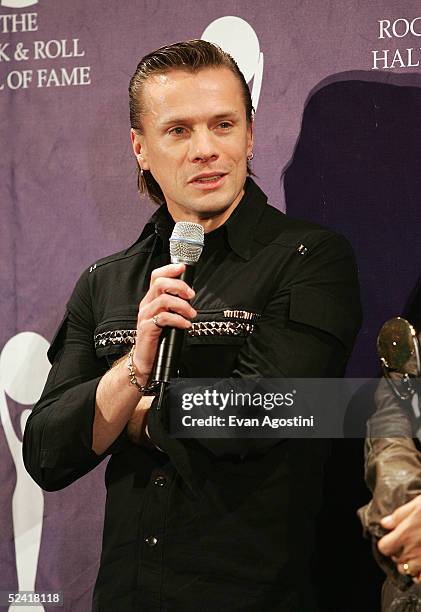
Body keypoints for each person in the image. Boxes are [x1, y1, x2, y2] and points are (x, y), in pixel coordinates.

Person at [23, 40, 362, 611]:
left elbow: (266, 413)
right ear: (140, 148)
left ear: (250, 135)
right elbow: (48, 453)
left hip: (260, 595)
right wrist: (136, 367)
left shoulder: (310, 258)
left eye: (223, 124)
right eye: (179, 130)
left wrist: (125, 416)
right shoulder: (105, 281)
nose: (206, 149)